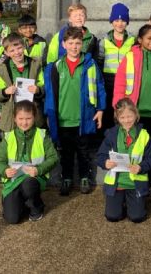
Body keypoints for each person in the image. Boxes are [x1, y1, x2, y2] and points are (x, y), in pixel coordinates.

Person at [44, 26, 106, 196]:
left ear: (82, 45)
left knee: (83, 151)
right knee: (66, 152)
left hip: (83, 118)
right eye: (70, 43)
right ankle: (67, 178)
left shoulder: (90, 64)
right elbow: (49, 93)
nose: (74, 47)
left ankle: (85, 177)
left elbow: (100, 87)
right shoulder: (55, 67)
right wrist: (49, 114)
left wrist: (100, 109)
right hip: (63, 118)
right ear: (63, 44)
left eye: (78, 43)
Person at [0, 101, 58, 224]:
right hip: (13, 181)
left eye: (28, 118)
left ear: (34, 117)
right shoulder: (8, 137)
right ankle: (19, 202)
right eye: (21, 118)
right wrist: (5, 170)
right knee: (12, 219)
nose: (24, 122)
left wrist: (38, 169)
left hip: (34, 178)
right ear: (15, 119)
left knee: (29, 185)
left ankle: (36, 207)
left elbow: (53, 158)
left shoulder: (42, 135)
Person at [97, 98, 151, 223]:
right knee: (112, 217)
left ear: (136, 114)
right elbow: (101, 155)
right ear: (117, 118)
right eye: (122, 117)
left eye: (129, 116)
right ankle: (122, 202)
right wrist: (105, 163)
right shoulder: (111, 134)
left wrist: (141, 167)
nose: (126, 120)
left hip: (135, 183)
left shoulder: (144, 135)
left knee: (137, 217)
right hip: (117, 183)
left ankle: (134, 203)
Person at [113, 24, 151, 143]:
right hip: (134, 112)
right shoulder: (130, 57)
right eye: (149, 38)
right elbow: (120, 85)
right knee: (134, 145)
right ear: (140, 39)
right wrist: (118, 107)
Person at [0, 33, 45, 133]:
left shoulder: (36, 65)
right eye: (12, 50)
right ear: (6, 53)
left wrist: (38, 90)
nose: (16, 52)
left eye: (19, 48)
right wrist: (5, 92)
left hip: (33, 114)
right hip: (11, 116)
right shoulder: (2, 69)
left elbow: (44, 86)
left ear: (24, 47)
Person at [97, 3, 135, 130]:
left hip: (125, 80)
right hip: (108, 80)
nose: (120, 24)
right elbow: (100, 61)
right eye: (116, 20)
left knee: (123, 109)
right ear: (112, 21)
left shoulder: (132, 40)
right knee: (109, 110)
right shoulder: (104, 41)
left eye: (123, 20)